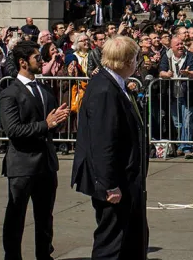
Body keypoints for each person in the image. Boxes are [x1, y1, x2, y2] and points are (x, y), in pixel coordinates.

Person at [72, 35, 151, 260]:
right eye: (136, 59)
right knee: (112, 242)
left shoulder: (115, 83)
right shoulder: (105, 90)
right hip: (115, 182)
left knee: (132, 236)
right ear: (127, 61)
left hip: (128, 177)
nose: (138, 64)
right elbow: (103, 142)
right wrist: (110, 185)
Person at [0, 41, 70, 260]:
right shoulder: (9, 93)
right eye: (37, 58)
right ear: (23, 62)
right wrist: (46, 124)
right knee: (16, 216)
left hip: (46, 163)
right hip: (22, 164)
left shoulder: (45, 89)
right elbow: (13, 130)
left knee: (45, 217)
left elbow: (50, 122)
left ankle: (44, 254)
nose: (42, 61)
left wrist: (58, 120)